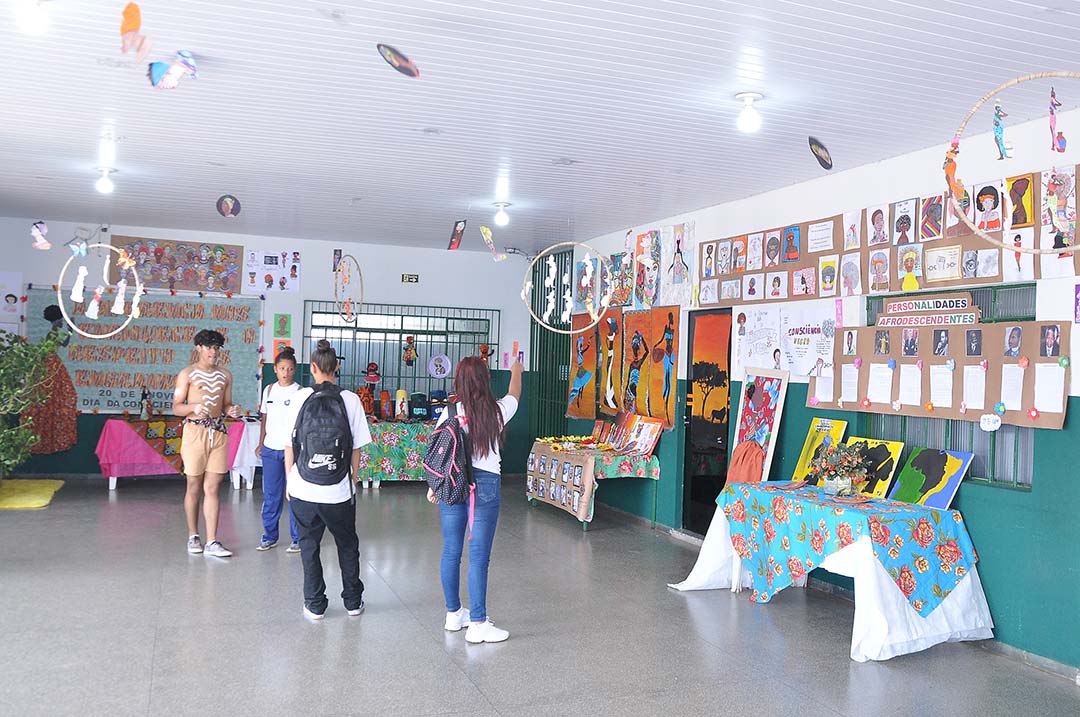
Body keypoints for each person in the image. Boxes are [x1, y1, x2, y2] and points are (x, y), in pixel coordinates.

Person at [427, 356, 522, 643]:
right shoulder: (497, 411)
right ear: (485, 380)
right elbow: (515, 394)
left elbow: (439, 451)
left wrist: (434, 486)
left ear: (458, 381)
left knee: (451, 550)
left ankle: (454, 614)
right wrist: (516, 370)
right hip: (486, 485)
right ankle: (478, 623)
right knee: (479, 556)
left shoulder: (449, 412)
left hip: (453, 483)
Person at [284, 340, 372, 620]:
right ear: (337, 367)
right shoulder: (351, 399)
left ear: (312, 367)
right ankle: (353, 602)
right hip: (338, 492)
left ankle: (315, 605)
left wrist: (289, 482)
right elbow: (357, 448)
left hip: (303, 487)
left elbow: (289, 445)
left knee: (309, 546)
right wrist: (352, 480)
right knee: (347, 545)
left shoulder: (299, 397)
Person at [173, 330, 241, 558]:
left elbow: (226, 404)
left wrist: (231, 410)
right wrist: (193, 407)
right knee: (194, 485)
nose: (213, 352)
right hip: (195, 432)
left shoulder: (226, 375)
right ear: (199, 348)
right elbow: (176, 407)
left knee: (212, 488)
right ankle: (193, 535)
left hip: (218, 433)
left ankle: (212, 540)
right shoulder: (187, 374)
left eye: (216, 348)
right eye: (209, 347)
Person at [255, 346, 302, 553]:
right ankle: (269, 536)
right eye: (282, 368)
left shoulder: (300, 392)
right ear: (275, 369)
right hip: (270, 449)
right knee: (271, 496)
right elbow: (265, 419)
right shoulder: (269, 390)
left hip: (292, 451)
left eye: (290, 369)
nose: (286, 372)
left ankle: (297, 539)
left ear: (295, 370)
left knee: (294, 494)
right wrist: (261, 442)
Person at [22, 305, 78, 454]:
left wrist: (70, 329)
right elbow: (63, 343)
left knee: (55, 396)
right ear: (58, 318)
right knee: (58, 396)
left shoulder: (55, 330)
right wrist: (70, 329)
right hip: (51, 365)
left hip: (50, 364)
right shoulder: (54, 330)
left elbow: (63, 343)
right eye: (61, 318)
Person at [653, 312, 675, 422]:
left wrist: (670, 353)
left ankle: (666, 403)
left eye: (671, 318)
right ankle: (663, 401)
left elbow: (671, 342)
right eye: (670, 318)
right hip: (666, 354)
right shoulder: (667, 328)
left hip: (670, 354)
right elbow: (662, 339)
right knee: (666, 379)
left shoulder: (674, 330)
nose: (670, 320)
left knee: (669, 379)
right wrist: (656, 345)